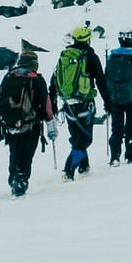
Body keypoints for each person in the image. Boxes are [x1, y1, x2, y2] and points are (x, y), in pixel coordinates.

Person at [0, 48, 54, 197]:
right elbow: (46, 105)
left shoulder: (9, 76)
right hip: (30, 125)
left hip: (10, 124)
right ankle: (20, 183)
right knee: (26, 156)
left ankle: (13, 179)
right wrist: (50, 124)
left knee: (14, 153)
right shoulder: (36, 79)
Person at [50, 26, 108, 180]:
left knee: (77, 137)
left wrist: (53, 103)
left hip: (67, 104)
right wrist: (108, 102)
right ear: (88, 40)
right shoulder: (90, 57)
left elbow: (54, 79)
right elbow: (101, 81)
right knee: (84, 139)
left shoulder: (65, 56)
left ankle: (84, 167)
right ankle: (69, 169)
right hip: (84, 103)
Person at [104, 30, 132, 165]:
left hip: (115, 98)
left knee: (116, 128)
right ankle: (129, 156)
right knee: (131, 127)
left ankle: (115, 157)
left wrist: (107, 98)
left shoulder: (111, 57)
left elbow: (107, 78)